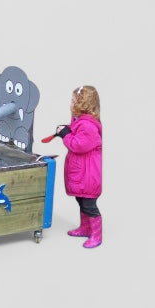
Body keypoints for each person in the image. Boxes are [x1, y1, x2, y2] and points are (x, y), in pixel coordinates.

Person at [56, 85, 102, 248]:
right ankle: (85, 228)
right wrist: (67, 129)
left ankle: (96, 235)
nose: (70, 103)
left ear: (82, 104)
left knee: (89, 205)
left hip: (88, 174)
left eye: (73, 100)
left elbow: (78, 145)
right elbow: (76, 134)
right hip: (82, 172)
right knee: (81, 201)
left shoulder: (88, 126)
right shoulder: (80, 122)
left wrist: (65, 134)